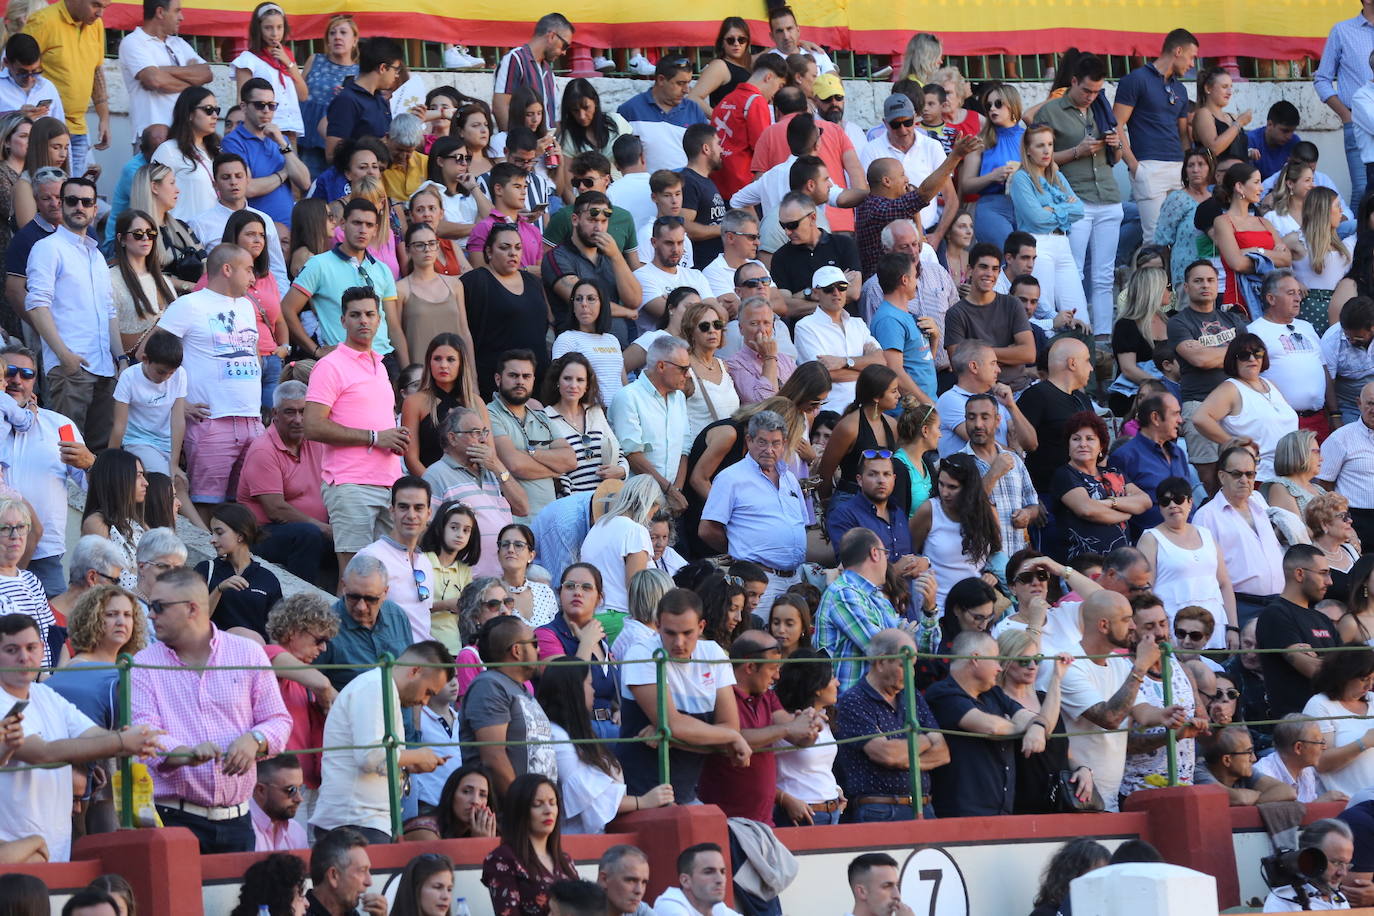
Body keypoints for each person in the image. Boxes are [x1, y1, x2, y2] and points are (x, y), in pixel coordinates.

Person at [130, 566, 291, 853]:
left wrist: (255, 740)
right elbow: (144, 732)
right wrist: (187, 754)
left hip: (239, 820)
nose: (150, 614)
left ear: (192, 608)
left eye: (159, 607)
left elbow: (278, 720)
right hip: (172, 819)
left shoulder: (247, 653)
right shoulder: (143, 664)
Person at [303, 286, 405, 571]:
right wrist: (375, 438)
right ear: (343, 320)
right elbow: (312, 426)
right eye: (356, 315)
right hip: (350, 484)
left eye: (370, 314)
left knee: (391, 576)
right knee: (354, 576)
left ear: (379, 320)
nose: (364, 320)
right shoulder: (330, 365)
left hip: (389, 482)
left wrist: (394, 438)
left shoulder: (380, 366)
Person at [1059, 590, 1190, 812]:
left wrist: (1163, 715)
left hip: (1110, 796)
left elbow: (1141, 710)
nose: (1132, 626)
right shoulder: (1071, 666)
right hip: (1079, 794)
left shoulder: (1118, 662)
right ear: (1103, 625)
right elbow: (1110, 718)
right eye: (1126, 619)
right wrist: (1141, 667)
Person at [616, 588, 750, 802]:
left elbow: (730, 726)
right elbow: (674, 724)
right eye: (670, 633)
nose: (679, 642)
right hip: (641, 796)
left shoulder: (713, 653)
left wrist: (674, 738)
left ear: (701, 627)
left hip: (687, 792)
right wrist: (730, 737)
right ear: (657, 626)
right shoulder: (640, 654)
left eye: (687, 633)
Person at [311, 640, 451, 843]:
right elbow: (370, 756)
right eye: (428, 691)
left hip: (361, 822)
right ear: (415, 671)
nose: (425, 701)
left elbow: (375, 756)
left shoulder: (381, 687)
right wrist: (418, 755)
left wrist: (408, 764)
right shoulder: (374, 686)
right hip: (355, 823)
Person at [24, 174, 119, 450]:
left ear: (95, 209)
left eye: (86, 202)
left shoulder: (97, 256)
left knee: (100, 454)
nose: (79, 206)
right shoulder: (47, 248)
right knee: (67, 453)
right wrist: (64, 356)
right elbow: (36, 305)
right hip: (70, 368)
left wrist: (120, 360)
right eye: (72, 200)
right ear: (61, 204)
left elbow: (109, 310)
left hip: (104, 368)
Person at [538, 656, 671, 835]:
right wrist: (643, 801)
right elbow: (588, 796)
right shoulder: (556, 735)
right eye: (589, 683)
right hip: (574, 839)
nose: (593, 690)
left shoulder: (575, 731)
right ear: (574, 690)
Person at [833, 627, 948, 820]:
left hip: (923, 807)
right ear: (881, 662)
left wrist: (903, 759)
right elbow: (887, 755)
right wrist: (925, 740)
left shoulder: (912, 696)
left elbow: (943, 753)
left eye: (913, 666)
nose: (912, 674)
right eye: (904, 665)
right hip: (880, 811)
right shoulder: (853, 701)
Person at [698, 410, 806, 603]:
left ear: (784, 444)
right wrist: (739, 549)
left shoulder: (790, 479)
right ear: (749, 440)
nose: (769, 450)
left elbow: (801, 524)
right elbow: (707, 530)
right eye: (762, 442)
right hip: (757, 581)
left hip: (795, 578)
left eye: (775, 443)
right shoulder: (731, 478)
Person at [234, 380, 331, 583]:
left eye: (303, 411)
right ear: (275, 414)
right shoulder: (263, 450)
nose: (298, 419)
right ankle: (302, 596)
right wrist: (323, 528)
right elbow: (276, 510)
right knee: (308, 535)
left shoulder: (316, 441)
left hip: (310, 530)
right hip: (262, 533)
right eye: (290, 412)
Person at [1168, 260, 1251, 491]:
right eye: (1198, 281)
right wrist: (1235, 351)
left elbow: (1250, 357)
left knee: (1243, 465)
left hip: (1237, 405)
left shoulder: (1233, 319)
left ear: (1217, 284)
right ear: (1186, 287)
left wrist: (1212, 353)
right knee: (1209, 475)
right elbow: (1199, 360)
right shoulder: (1178, 322)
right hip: (1199, 403)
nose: (1205, 285)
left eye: (1210, 280)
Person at [1113, 29, 1198, 240]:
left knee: (1182, 235)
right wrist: (1134, 166)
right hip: (1148, 166)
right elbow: (1116, 125)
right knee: (1154, 238)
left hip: (1178, 168)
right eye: (1192, 57)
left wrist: (1188, 167)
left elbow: (1183, 134)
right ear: (1178, 51)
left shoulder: (1181, 89)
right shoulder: (1136, 80)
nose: (1192, 64)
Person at [423, 405, 527, 578]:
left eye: (484, 433)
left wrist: (497, 466)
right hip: (466, 580)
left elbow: (523, 508)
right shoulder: (435, 475)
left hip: (503, 578)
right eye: (475, 433)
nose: (483, 440)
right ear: (452, 438)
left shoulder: (493, 471)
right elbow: (427, 533)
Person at [459, 615, 555, 794]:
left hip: (535, 805)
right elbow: (493, 757)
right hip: (509, 807)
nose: (539, 649)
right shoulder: (489, 686)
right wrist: (519, 803)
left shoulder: (520, 689)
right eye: (534, 643)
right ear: (517, 650)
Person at [1195, 444, 1287, 629]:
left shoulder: (1260, 504)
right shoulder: (1206, 516)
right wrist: (1231, 624)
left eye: (1250, 474)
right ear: (1222, 476)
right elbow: (1204, 572)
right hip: (1240, 606)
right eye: (1237, 474)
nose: (1244, 480)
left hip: (1277, 603)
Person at [1009, 124, 1087, 322]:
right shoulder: (1021, 178)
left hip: (1063, 242)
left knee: (1079, 310)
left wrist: (1051, 209)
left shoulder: (1057, 176)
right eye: (1040, 145)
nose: (1046, 151)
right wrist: (1064, 208)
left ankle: (1080, 341)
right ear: (1028, 150)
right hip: (1038, 244)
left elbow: (1079, 210)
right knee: (1046, 310)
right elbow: (1037, 218)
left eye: (1050, 144)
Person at [20, 0, 106, 176]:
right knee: (44, 187)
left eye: (105, 7)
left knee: (73, 189)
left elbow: (96, 71)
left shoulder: (96, 24)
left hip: (79, 129)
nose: (100, 13)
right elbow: (17, 69)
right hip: (45, 130)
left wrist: (104, 118)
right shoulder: (43, 21)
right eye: (96, 5)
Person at [859, 94, 958, 246]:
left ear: (915, 118)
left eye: (907, 122)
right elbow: (867, 196)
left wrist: (938, 235)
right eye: (895, 125)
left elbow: (951, 198)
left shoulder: (932, 146)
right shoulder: (871, 150)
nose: (903, 130)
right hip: (889, 237)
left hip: (928, 233)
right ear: (885, 123)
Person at [1256, 543, 1337, 718]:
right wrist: (1335, 663)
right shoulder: (1275, 614)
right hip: (1297, 722)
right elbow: (1314, 670)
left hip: (1333, 715)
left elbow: (1350, 664)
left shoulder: (1322, 618)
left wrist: (1321, 659)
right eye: (1323, 573)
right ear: (1299, 574)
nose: (1330, 581)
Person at [944, 242, 1037, 393]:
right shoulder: (956, 313)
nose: (989, 273)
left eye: (994, 269)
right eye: (983, 267)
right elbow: (959, 365)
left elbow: (1029, 353)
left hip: (1020, 390)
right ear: (970, 270)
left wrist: (979, 355)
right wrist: (1010, 352)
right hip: (979, 396)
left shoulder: (1012, 304)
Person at [481, 773, 579, 912]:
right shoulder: (502, 859)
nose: (548, 811)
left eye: (552, 803)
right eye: (537, 804)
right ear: (519, 810)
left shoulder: (565, 860)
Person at [354, 476, 435, 643]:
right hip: (389, 656)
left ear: (428, 514)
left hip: (424, 654)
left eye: (418, 508)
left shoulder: (425, 562)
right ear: (392, 511)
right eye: (403, 507)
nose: (411, 515)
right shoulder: (371, 557)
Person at [221, 79, 309, 230]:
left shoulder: (281, 139)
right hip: (256, 230)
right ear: (244, 107)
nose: (267, 110)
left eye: (272, 105)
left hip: (288, 229)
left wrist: (281, 143)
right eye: (260, 105)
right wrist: (284, 173)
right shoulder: (233, 141)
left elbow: (305, 182)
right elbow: (247, 188)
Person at [116, 0, 208, 141]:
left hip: (186, 134)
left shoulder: (179, 43)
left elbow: (207, 73)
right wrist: (193, 82)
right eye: (177, 11)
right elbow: (155, 80)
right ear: (160, 12)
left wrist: (163, 70)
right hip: (154, 138)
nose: (181, 17)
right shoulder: (133, 41)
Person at [710, 56, 787, 200]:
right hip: (743, 186)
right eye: (780, 86)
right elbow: (762, 149)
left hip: (718, 181)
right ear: (769, 77)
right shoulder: (756, 101)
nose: (776, 94)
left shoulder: (726, 99)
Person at [617, 57, 708, 173]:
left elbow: (706, 153)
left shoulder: (694, 110)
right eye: (680, 83)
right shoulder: (629, 110)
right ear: (661, 80)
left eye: (688, 83)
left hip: (686, 183)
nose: (686, 90)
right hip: (644, 184)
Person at [552, 280, 627, 404]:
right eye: (578, 299)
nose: (584, 304)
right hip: (590, 410)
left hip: (619, 409)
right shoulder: (566, 339)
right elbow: (557, 382)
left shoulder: (612, 340)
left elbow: (622, 380)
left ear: (602, 304)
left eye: (591, 299)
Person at [492, 14, 568, 131]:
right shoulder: (515, 59)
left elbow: (554, 118)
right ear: (552, 36)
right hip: (523, 141)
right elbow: (500, 106)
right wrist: (516, 141)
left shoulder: (548, 71)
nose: (564, 53)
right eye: (564, 46)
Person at [1202, 724, 1298, 806]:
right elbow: (1239, 799)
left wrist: (1254, 801)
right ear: (1227, 760)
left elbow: (1288, 791)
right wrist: (1260, 795)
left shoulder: (1246, 772)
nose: (1254, 759)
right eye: (1249, 752)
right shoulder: (1199, 773)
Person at [653, 843, 741, 916]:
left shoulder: (717, 907)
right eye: (708, 872)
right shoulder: (670, 906)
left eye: (722, 872)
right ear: (685, 881)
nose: (720, 880)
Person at [248, 753, 307, 852]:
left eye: (300, 788)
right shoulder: (240, 833)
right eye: (291, 790)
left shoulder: (296, 831)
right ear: (261, 790)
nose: (299, 798)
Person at [598, 845, 653, 916]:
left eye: (644, 882)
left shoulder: (641, 911)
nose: (639, 891)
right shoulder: (584, 911)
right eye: (631, 880)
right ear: (604, 879)